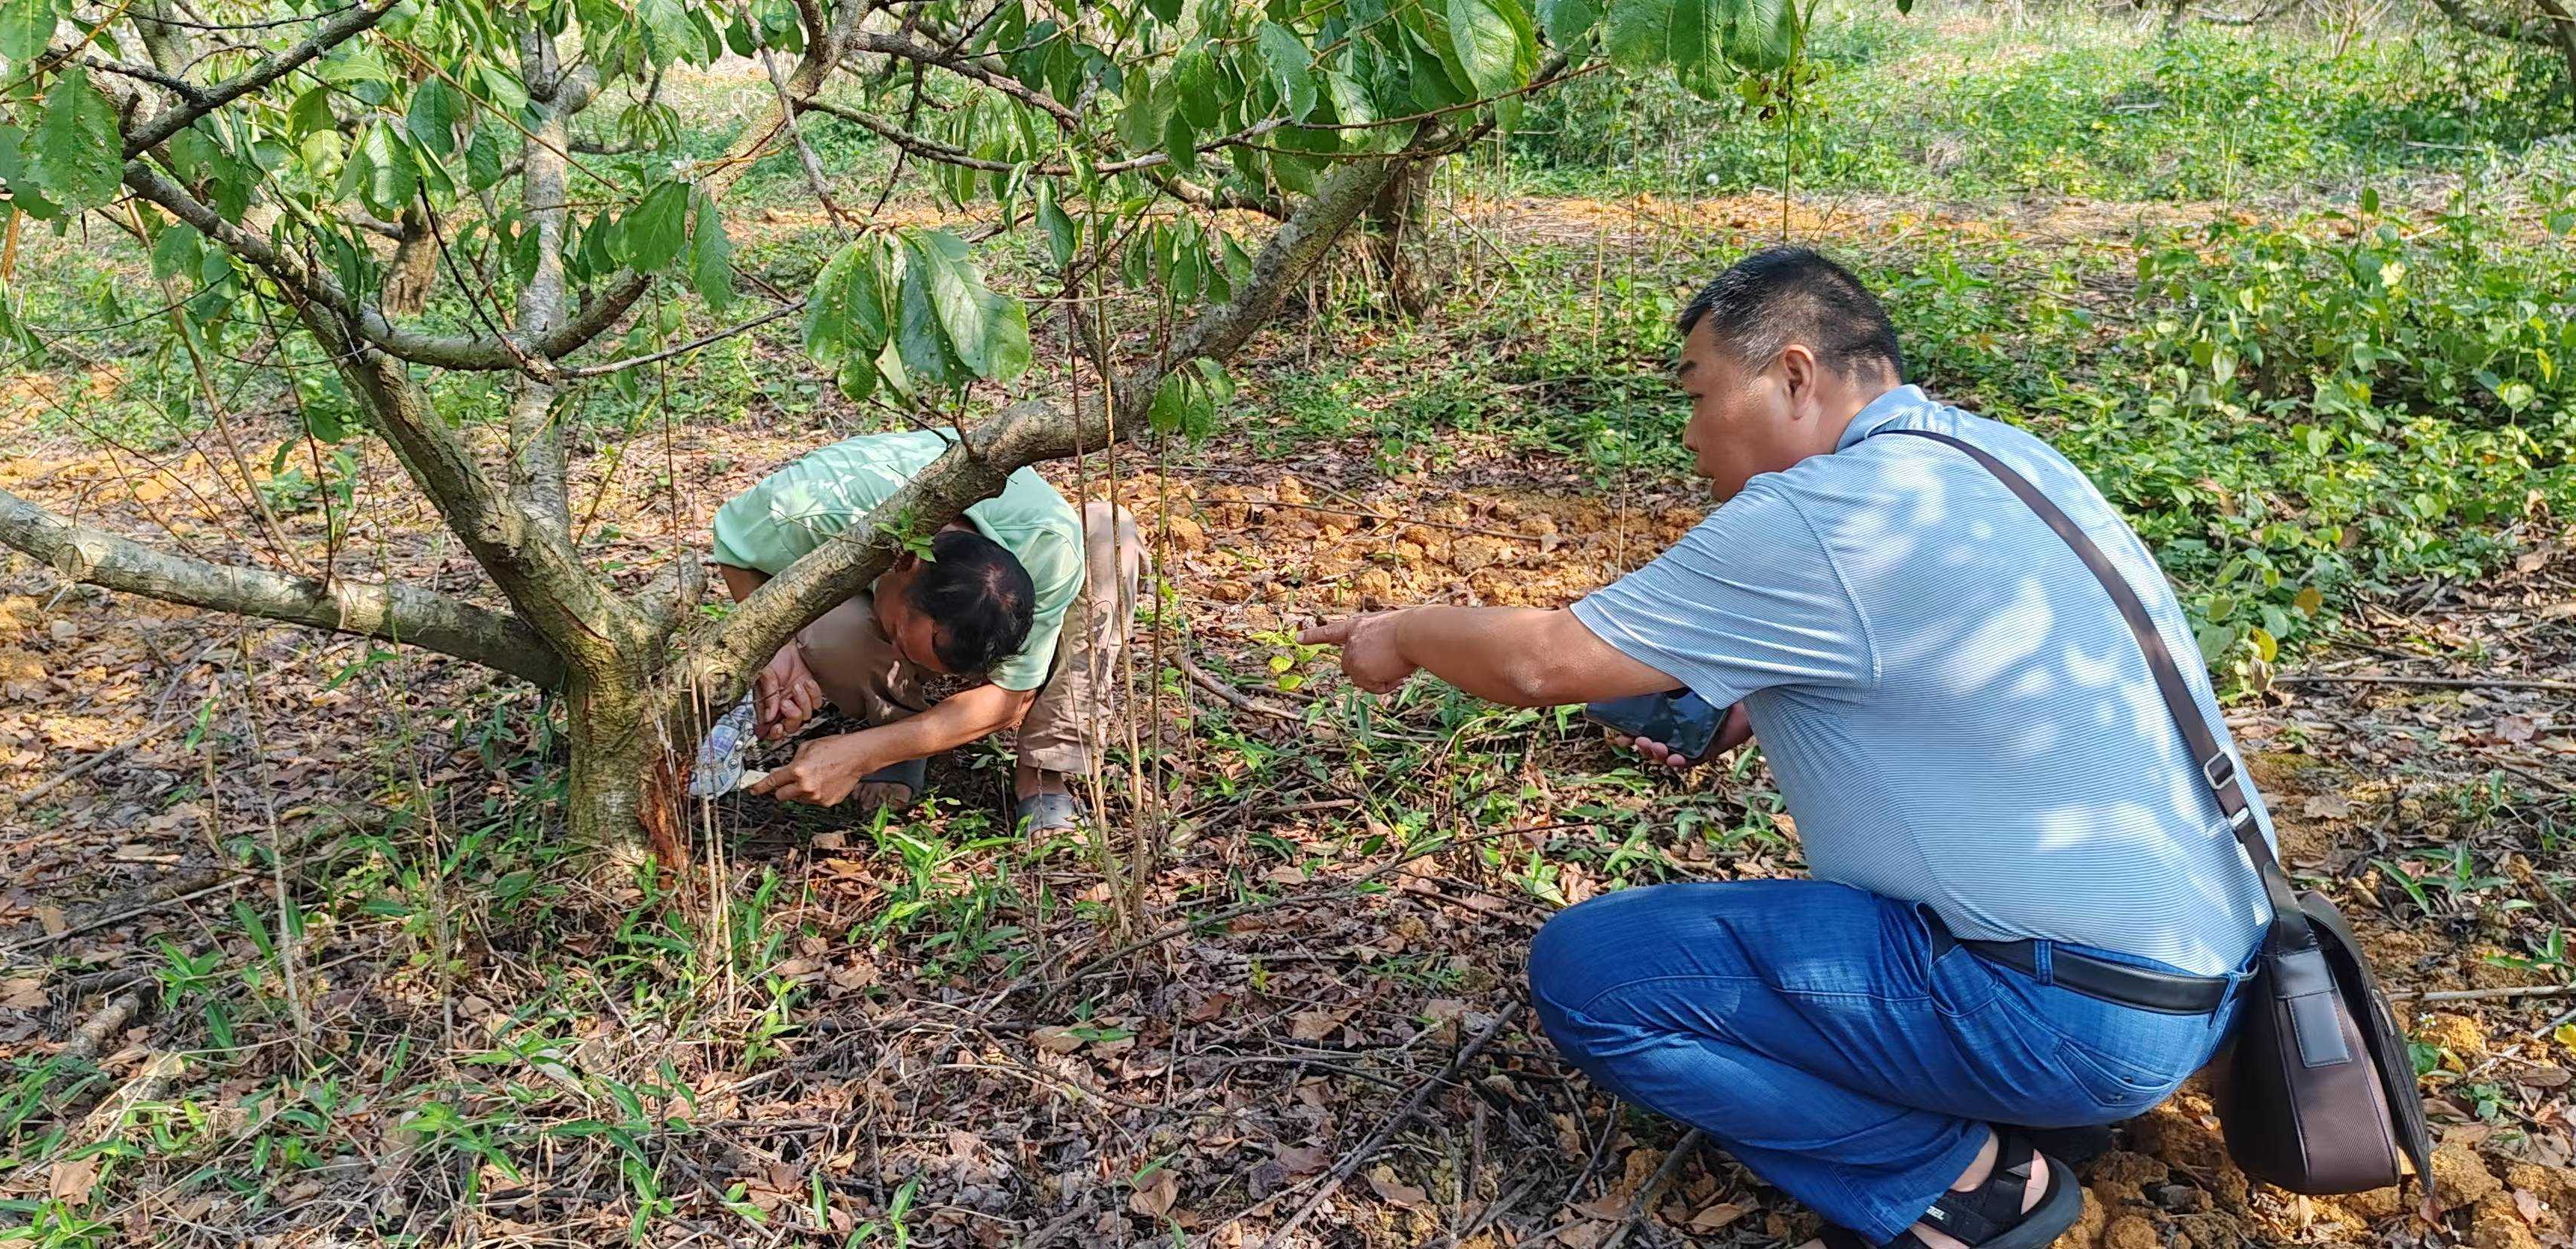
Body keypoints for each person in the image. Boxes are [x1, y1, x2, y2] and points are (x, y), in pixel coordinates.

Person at [1299, 248, 2274, 1249]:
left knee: (1595, 975)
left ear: (1796, 376)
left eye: (1701, 395)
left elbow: (1543, 664)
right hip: (2227, 983)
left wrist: (1407, 632)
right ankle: (2039, 1096)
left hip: (2074, 1017)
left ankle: (1958, 1182)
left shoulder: (1820, 513)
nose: (1691, 438)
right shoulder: (2005, 461)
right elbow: (1878, 664)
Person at [711, 430, 1143, 832]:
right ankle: (895, 726)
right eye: (901, 640)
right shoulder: (818, 505)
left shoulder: (1051, 551)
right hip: (865, 535)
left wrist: (861, 752)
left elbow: (1009, 701)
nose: (914, 664)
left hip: (1032, 538)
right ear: (903, 565)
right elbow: (733, 542)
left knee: (1110, 536)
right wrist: (779, 649)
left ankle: (1045, 771)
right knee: (833, 637)